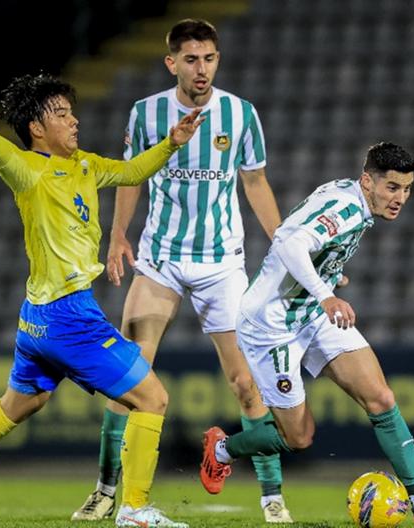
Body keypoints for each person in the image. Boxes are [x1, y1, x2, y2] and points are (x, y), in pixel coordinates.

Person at [0, 37, 203, 527]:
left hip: (37, 318)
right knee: (153, 398)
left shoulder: (86, 165)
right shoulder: (28, 170)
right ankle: (134, 509)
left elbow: (133, 171)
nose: (74, 121)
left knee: (21, 403)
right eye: (62, 114)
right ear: (37, 128)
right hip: (69, 316)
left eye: (72, 112)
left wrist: (171, 143)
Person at [71, 19, 291, 524]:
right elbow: (133, 177)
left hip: (222, 263)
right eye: (191, 59)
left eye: (209, 58)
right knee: (127, 376)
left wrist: (283, 246)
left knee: (246, 382)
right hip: (162, 260)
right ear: (172, 63)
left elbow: (255, 183)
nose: (201, 68)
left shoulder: (240, 114)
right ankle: (105, 490)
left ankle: (272, 496)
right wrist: (118, 234)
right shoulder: (146, 113)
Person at [198, 142, 414, 527]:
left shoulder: (350, 195)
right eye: (392, 187)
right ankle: (222, 449)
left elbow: (308, 238)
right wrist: (326, 294)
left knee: (381, 398)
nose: (400, 198)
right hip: (271, 325)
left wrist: (329, 272)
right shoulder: (346, 208)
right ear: (368, 181)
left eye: (407, 189)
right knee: (298, 438)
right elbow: (289, 242)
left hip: (309, 313)